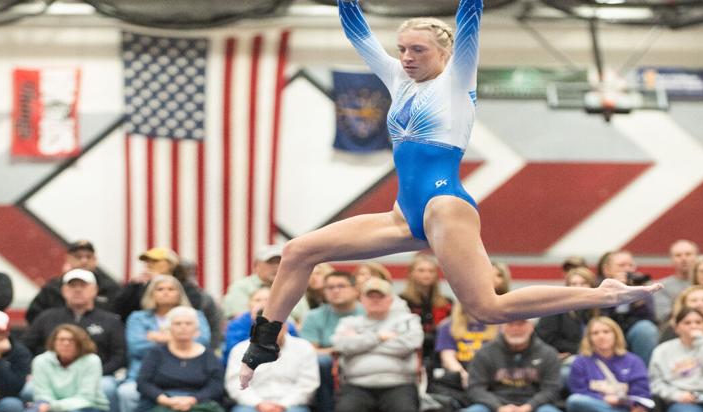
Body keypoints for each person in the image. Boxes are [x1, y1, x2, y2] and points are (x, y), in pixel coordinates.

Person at [238, 0, 661, 389]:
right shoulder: (398, 78)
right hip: (403, 214)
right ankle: (262, 345)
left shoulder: (458, 80)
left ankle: (602, 294)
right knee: (298, 251)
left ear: (445, 52)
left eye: (418, 50)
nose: (407, 57)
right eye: (402, 49)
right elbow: (356, 30)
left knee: (487, 309)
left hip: (445, 207)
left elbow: (470, 14)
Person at [331, 277, 423, 412]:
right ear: (361, 300)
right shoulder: (349, 322)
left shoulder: (408, 320)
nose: (375, 300)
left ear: (390, 299)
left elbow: (411, 343)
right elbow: (341, 344)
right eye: (370, 296)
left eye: (380, 296)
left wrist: (361, 343)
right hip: (357, 384)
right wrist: (381, 337)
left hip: (399, 383)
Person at [22, 269, 125, 412]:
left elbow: (120, 355)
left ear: (95, 290)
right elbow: (24, 348)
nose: (77, 290)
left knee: (107, 388)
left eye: (83, 286)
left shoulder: (111, 320)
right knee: (27, 390)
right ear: (63, 290)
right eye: (72, 286)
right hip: (52, 376)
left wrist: (95, 373)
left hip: (98, 375)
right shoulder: (47, 317)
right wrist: (31, 371)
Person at [424, 273, 499, 412]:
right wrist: (463, 374)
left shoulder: (498, 325)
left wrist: (478, 377)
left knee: (478, 409)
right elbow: (447, 357)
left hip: (489, 379)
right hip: (458, 378)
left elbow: (501, 359)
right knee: (443, 405)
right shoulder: (447, 326)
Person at [120, 275, 210, 412]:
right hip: (144, 374)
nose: (165, 292)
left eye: (171, 289)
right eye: (160, 289)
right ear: (151, 294)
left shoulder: (195, 315)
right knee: (127, 393)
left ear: (179, 294)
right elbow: (137, 348)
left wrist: (161, 338)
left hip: (188, 374)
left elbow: (202, 342)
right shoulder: (138, 318)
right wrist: (180, 339)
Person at [110, 246, 223, 350]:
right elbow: (118, 310)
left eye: (155, 261)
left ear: (170, 264)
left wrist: (162, 338)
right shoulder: (139, 285)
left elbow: (201, 334)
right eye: (147, 262)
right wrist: (131, 286)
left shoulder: (189, 288)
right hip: (147, 349)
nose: (149, 265)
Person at [299, 269, 363, 412]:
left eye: (341, 286)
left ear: (355, 290)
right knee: (321, 362)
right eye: (330, 287)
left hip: (364, 359)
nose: (335, 291)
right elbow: (309, 351)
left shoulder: (368, 312)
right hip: (329, 362)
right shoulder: (313, 316)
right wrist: (340, 349)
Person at [25, 240, 119, 319]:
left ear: (95, 260)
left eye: (88, 257)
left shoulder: (109, 288)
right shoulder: (52, 288)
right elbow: (34, 315)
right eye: (78, 257)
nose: (84, 261)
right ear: (68, 259)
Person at [595, 249, 659, 361]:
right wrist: (614, 292)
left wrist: (637, 296)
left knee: (646, 329)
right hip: (607, 328)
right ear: (607, 270)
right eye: (621, 266)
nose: (627, 269)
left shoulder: (641, 286)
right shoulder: (597, 287)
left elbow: (650, 319)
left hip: (633, 331)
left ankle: (643, 371)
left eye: (630, 265)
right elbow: (599, 316)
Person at [221, 287, 297, 366]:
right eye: (258, 300)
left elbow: (293, 348)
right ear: (249, 304)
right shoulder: (236, 325)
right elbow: (232, 351)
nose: (263, 304)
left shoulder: (285, 324)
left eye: (267, 300)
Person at [399, 252, 453, 358]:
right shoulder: (402, 301)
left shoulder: (447, 303)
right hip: (411, 352)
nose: (426, 274)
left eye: (431, 271)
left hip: (440, 352)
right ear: (411, 273)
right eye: (421, 270)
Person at [222, 243, 286, 323]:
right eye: (270, 262)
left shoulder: (288, 288)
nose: (276, 267)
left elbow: (300, 318)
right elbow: (239, 317)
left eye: (279, 262)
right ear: (256, 266)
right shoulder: (241, 287)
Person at [653, 239, 700, 323]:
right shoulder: (660, 286)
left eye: (688, 254)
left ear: (696, 257)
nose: (684, 259)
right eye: (678, 255)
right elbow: (663, 316)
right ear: (671, 259)